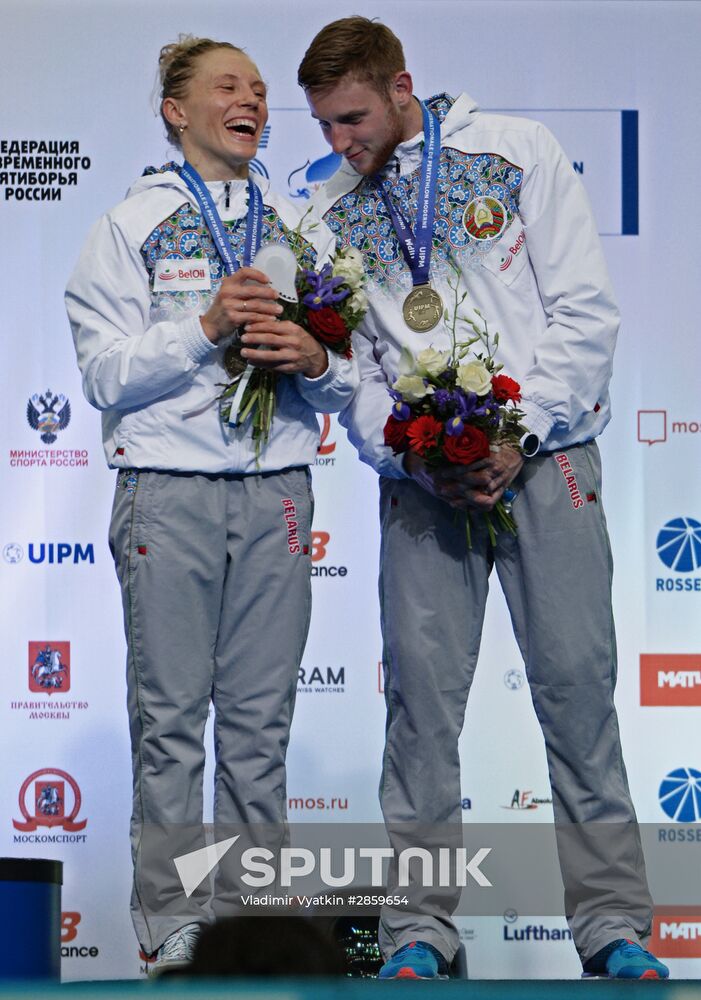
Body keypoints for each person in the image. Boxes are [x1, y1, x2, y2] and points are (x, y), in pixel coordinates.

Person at [298, 16, 668, 981]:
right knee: (419, 708)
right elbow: (348, 369)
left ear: (401, 84)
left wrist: (519, 432)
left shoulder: (515, 152)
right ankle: (420, 930)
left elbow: (583, 307)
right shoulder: (325, 211)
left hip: (547, 458)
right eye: (325, 126)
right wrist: (408, 452)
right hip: (425, 483)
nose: (341, 143)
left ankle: (613, 930)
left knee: (578, 694)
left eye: (353, 118)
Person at [66, 35, 357, 972]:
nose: (252, 101)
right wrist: (203, 329)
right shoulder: (131, 223)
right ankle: (174, 931)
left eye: (261, 91)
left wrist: (313, 361)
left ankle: (255, 929)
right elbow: (105, 374)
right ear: (176, 111)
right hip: (167, 493)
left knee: (260, 730)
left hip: (276, 490)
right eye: (227, 86)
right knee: (170, 728)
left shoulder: (301, 225)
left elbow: (344, 379)